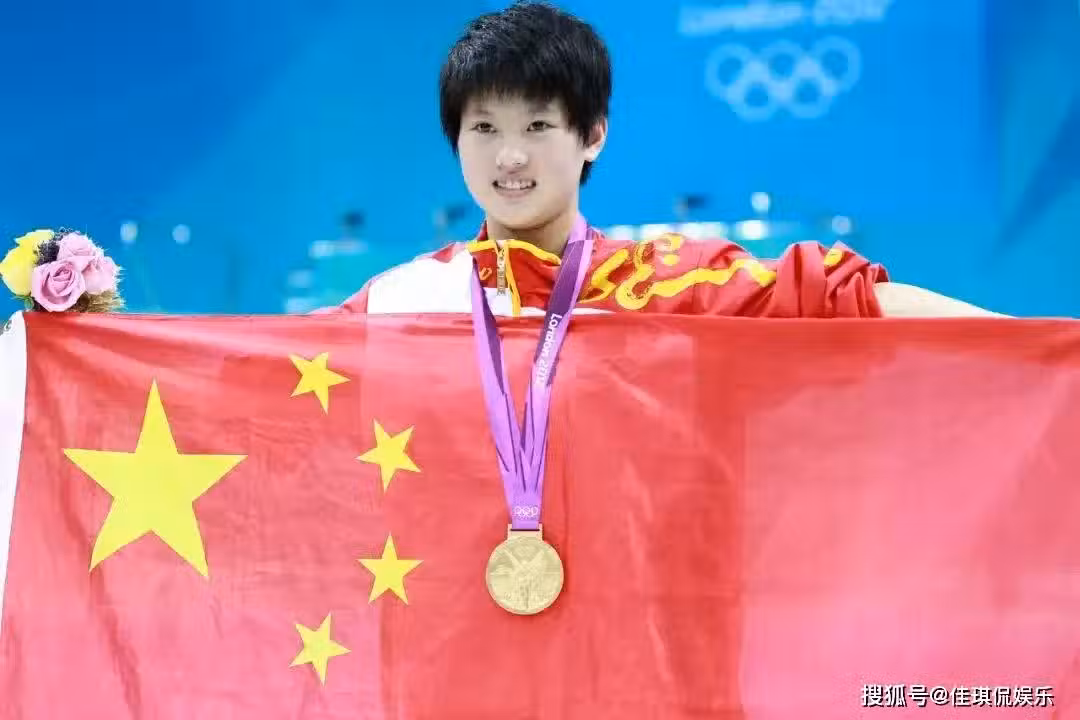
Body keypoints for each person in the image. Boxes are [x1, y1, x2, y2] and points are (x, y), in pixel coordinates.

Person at [319, 1, 1000, 319]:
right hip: (454, 570)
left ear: (592, 136)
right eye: (485, 129)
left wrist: (1038, 345)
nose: (511, 155)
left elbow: (845, 298)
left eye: (538, 125)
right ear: (456, 140)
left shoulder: (666, 283)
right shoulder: (402, 299)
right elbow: (274, 370)